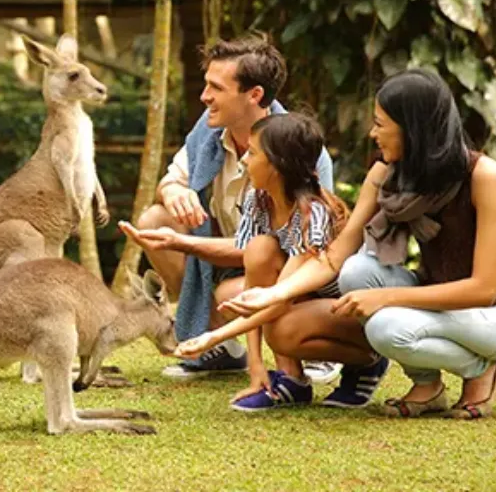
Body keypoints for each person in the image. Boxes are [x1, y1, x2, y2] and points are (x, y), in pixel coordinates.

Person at [221, 69, 496, 417]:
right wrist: (274, 294)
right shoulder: (386, 173)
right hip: (438, 298)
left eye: (380, 123)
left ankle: (483, 370)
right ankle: (428, 385)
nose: (373, 133)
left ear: (412, 128)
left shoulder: (484, 176)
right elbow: (336, 256)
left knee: (386, 329)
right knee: (357, 271)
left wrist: (385, 297)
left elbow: (484, 289)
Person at [124, 38, 336, 381]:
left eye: (215, 87)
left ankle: (312, 344)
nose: (204, 96)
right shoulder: (207, 134)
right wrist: (176, 191)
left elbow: (305, 248)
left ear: (254, 95)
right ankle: (221, 350)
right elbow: (172, 179)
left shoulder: (296, 146)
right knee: (155, 218)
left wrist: (182, 243)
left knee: (242, 279)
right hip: (232, 253)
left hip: (288, 265)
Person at [137, 113, 349, 411]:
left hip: (333, 307)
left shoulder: (312, 214)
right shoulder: (258, 200)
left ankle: (363, 366)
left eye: (253, 153)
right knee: (258, 251)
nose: (245, 161)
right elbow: (253, 270)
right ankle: (288, 379)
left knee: (280, 325)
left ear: (277, 165)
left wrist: (213, 337)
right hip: (288, 294)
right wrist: (256, 367)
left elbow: (281, 296)